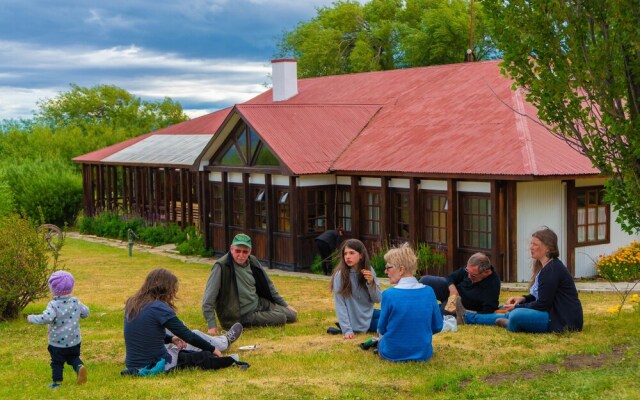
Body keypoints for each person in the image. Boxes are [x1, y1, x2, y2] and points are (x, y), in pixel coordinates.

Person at [461, 227, 584, 333]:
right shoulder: (548, 267)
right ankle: (505, 321)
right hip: (552, 314)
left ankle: (468, 317)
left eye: (535, 245)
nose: (531, 247)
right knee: (505, 308)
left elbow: (543, 304)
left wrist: (518, 307)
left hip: (562, 321)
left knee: (515, 314)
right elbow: (541, 296)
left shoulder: (552, 270)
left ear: (548, 248)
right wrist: (523, 299)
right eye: (531, 244)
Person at [123, 268, 243, 375]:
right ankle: (224, 342)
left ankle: (222, 342)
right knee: (193, 340)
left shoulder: (132, 303)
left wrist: (170, 339)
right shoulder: (158, 307)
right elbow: (188, 336)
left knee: (182, 340)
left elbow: (146, 334)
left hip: (132, 364)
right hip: (156, 365)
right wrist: (212, 349)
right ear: (165, 289)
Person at [202, 233, 297, 334]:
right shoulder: (221, 266)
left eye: (245, 252)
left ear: (250, 251)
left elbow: (269, 286)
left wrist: (285, 305)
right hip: (241, 314)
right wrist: (211, 325)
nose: (241, 255)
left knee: (292, 315)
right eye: (238, 251)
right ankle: (264, 316)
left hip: (258, 303)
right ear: (231, 249)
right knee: (281, 318)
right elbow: (208, 299)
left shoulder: (253, 261)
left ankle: (266, 314)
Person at [377, 243, 443, 362]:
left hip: (392, 353)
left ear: (401, 269)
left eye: (388, 267)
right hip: (423, 353)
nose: (385, 271)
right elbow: (438, 326)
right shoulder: (429, 292)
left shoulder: (388, 295)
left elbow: (381, 328)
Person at [27, 270, 90, 388]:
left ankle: (57, 383)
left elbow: (47, 318)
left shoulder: (53, 305)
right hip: (74, 341)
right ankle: (79, 367)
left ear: (52, 288)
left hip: (57, 343)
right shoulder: (76, 302)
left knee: (57, 362)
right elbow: (86, 312)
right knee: (73, 357)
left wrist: (31, 318)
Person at [419, 252, 500, 320]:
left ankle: (426, 310)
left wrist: (463, 311)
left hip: (461, 305)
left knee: (443, 313)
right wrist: (453, 290)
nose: (468, 276)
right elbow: (451, 277)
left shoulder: (492, 285)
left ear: (486, 272)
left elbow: (488, 311)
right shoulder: (471, 269)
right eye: (467, 271)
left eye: (473, 275)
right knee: (425, 281)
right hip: (453, 292)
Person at [329, 239, 382, 339]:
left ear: (361, 255)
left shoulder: (369, 271)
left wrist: (371, 283)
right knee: (392, 323)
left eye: (352, 253)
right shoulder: (340, 276)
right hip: (356, 321)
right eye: (345, 254)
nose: (347, 257)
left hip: (369, 313)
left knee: (395, 315)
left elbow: (377, 299)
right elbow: (340, 305)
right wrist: (347, 330)